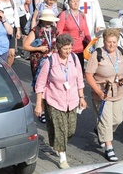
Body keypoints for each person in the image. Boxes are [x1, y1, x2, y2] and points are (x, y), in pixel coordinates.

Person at [34, 34, 86, 169]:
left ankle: (58, 143)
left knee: (71, 130)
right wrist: (39, 104)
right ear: (58, 48)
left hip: (72, 100)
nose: (68, 51)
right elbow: (40, 84)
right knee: (61, 129)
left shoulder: (74, 59)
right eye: (65, 49)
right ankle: (62, 156)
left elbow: (79, 78)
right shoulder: (49, 62)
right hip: (55, 100)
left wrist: (81, 97)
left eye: (70, 48)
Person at [85, 28, 123, 162]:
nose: (112, 45)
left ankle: (101, 131)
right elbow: (88, 75)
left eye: (114, 42)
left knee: (117, 120)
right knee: (106, 121)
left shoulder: (121, 52)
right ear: (104, 42)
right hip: (103, 93)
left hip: (118, 92)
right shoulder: (97, 54)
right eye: (109, 42)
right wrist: (98, 91)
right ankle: (109, 148)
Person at [57, 0, 91, 70]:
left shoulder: (82, 14)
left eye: (77, 1)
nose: (75, 3)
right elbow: (59, 31)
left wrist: (90, 41)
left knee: (79, 71)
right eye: (73, 1)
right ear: (69, 3)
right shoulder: (64, 15)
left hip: (80, 48)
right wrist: (59, 46)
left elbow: (86, 29)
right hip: (68, 49)